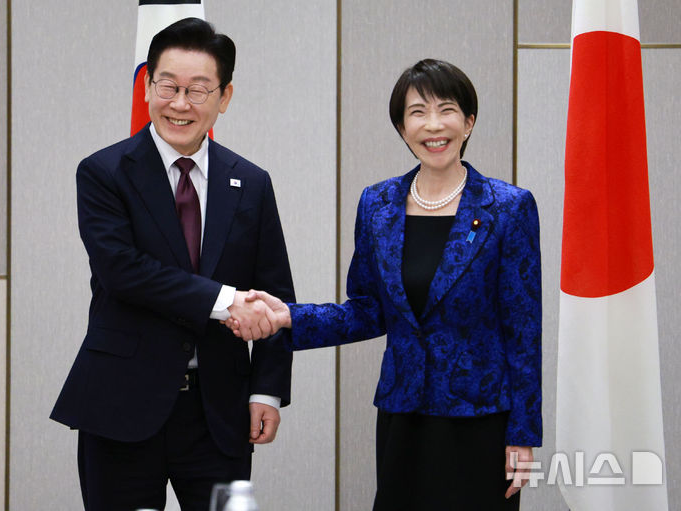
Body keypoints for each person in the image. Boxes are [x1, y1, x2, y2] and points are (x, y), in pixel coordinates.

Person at [228, 59, 542, 510]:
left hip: (481, 421)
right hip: (403, 416)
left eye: (447, 110)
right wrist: (287, 317)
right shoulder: (378, 204)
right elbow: (368, 309)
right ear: (401, 128)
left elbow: (523, 330)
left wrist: (524, 435)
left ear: (469, 122)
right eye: (417, 112)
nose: (433, 125)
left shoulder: (508, 208)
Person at [50, 18, 294, 511]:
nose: (180, 104)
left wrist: (267, 389)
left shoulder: (252, 183)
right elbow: (123, 271)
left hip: (218, 412)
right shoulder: (104, 172)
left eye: (198, 90)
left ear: (224, 97)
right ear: (147, 87)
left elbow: (274, 295)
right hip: (121, 405)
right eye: (168, 86)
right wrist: (225, 302)